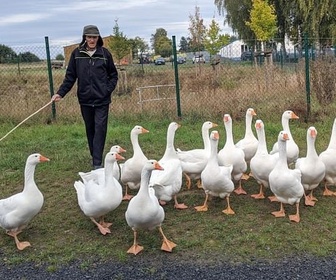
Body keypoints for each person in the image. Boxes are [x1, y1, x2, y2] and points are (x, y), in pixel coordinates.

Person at [51, 25, 118, 169]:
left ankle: (97, 163)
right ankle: (95, 156)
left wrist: (107, 90)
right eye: (89, 37)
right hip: (85, 100)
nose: (92, 40)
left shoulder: (105, 54)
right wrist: (60, 93)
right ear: (85, 38)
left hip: (102, 100)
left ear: (98, 38)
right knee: (90, 129)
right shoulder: (77, 54)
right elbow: (70, 77)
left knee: (100, 128)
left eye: (94, 37)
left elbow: (113, 75)